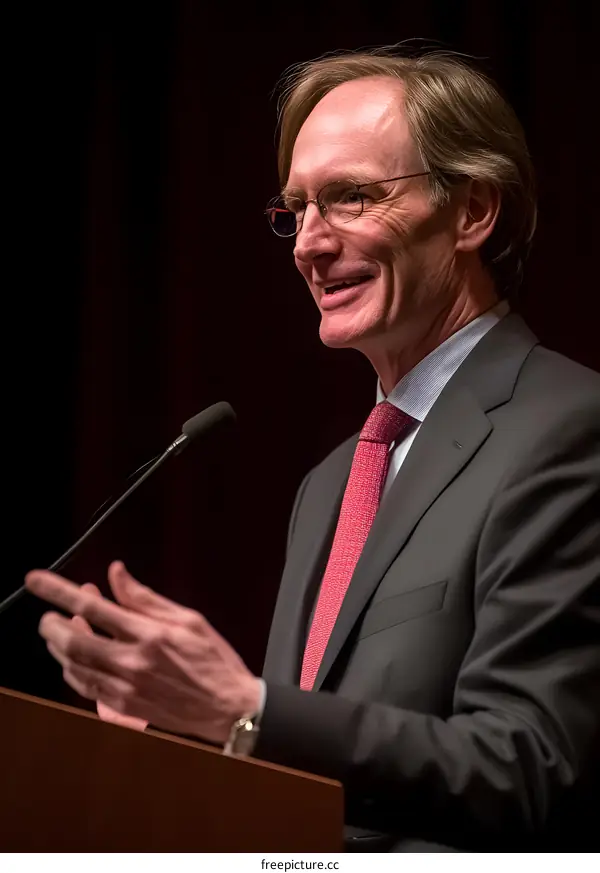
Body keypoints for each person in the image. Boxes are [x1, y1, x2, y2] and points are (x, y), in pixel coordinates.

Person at [26, 48, 599, 852]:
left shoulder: (570, 428)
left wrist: (243, 708)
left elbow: (531, 767)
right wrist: (184, 737)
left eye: (352, 198)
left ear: (472, 211)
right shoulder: (331, 483)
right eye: (296, 210)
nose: (308, 244)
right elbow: (316, 785)